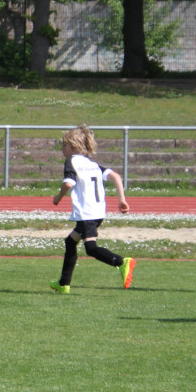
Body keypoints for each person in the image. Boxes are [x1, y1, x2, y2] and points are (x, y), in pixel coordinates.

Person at [49, 124, 135, 294]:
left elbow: (68, 183)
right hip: (96, 213)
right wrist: (121, 200)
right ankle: (63, 283)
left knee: (91, 248)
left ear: (73, 145)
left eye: (64, 145)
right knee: (70, 242)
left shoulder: (71, 162)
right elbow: (116, 176)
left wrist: (58, 198)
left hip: (87, 214)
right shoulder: (92, 164)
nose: (62, 149)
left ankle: (121, 262)